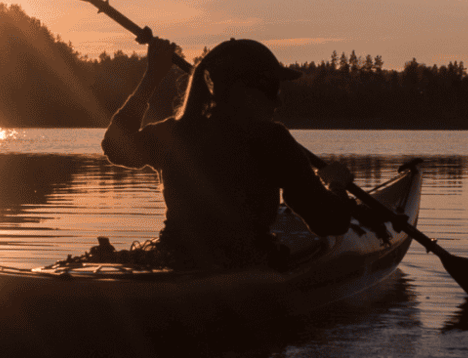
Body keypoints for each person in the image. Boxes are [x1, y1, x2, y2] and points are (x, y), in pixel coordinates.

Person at [101, 36, 357, 270]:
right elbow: (329, 223)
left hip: (176, 259)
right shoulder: (272, 140)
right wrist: (336, 184)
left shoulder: (175, 133)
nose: (278, 102)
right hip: (246, 265)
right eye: (271, 89)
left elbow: (114, 147)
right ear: (241, 90)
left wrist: (151, 78)